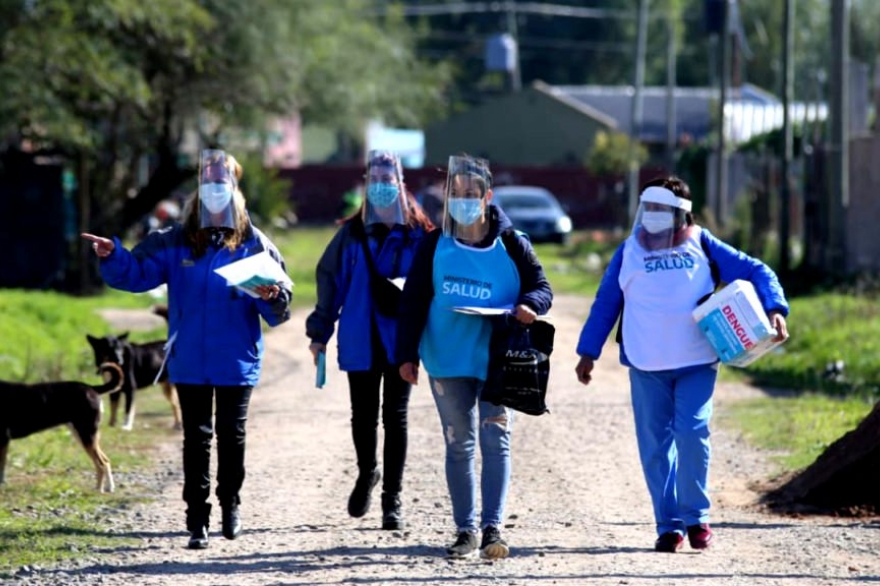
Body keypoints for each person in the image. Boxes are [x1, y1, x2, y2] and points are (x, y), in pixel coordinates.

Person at [82, 149, 292, 550]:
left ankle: (231, 504)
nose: (215, 188)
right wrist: (113, 256)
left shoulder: (252, 242)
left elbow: (278, 303)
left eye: (222, 181)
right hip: (190, 359)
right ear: (199, 189)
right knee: (196, 438)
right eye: (208, 181)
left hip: (236, 359)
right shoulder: (175, 240)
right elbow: (138, 273)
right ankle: (197, 519)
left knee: (232, 435)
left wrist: (273, 296)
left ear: (234, 189)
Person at [573, 176, 789, 553]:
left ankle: (697, 517)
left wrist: (775, 308)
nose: (653, 216)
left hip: (697, 360)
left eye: (662, 209)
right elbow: (606, 301)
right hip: (646, 363)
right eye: (649, 208)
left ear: (681, 213)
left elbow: (757, 270)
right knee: (655, 445)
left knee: (692, 432)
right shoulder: (628, 251)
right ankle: (668, 524)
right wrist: (588, 351)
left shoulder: (703, 243)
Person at [396, 155, 553, 560]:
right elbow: (413, 301)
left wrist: (531, 305)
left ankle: (492, 528)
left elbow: (541, 287)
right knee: (459, 445)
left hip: (497, 359)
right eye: (455, 194)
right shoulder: (435, 243)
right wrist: (406, 354)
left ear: (487, 196)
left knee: (496, 440)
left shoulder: (512, 243)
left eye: (471, 194)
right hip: (447, 359)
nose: (463, 200)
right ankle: (464, 530)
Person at [305, 150, 433, 530]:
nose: (380, 187)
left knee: (396, 418)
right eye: (374, 180)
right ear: (366, 185)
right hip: (360, 336)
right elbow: (330, 283)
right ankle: (367, 472)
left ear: (400, 184)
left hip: (401, 340)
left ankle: (392, 499)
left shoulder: (419, 235)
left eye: (387, 180)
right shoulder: (350, 235)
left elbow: (433, 287)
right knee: (362, 416)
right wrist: (319, 332)